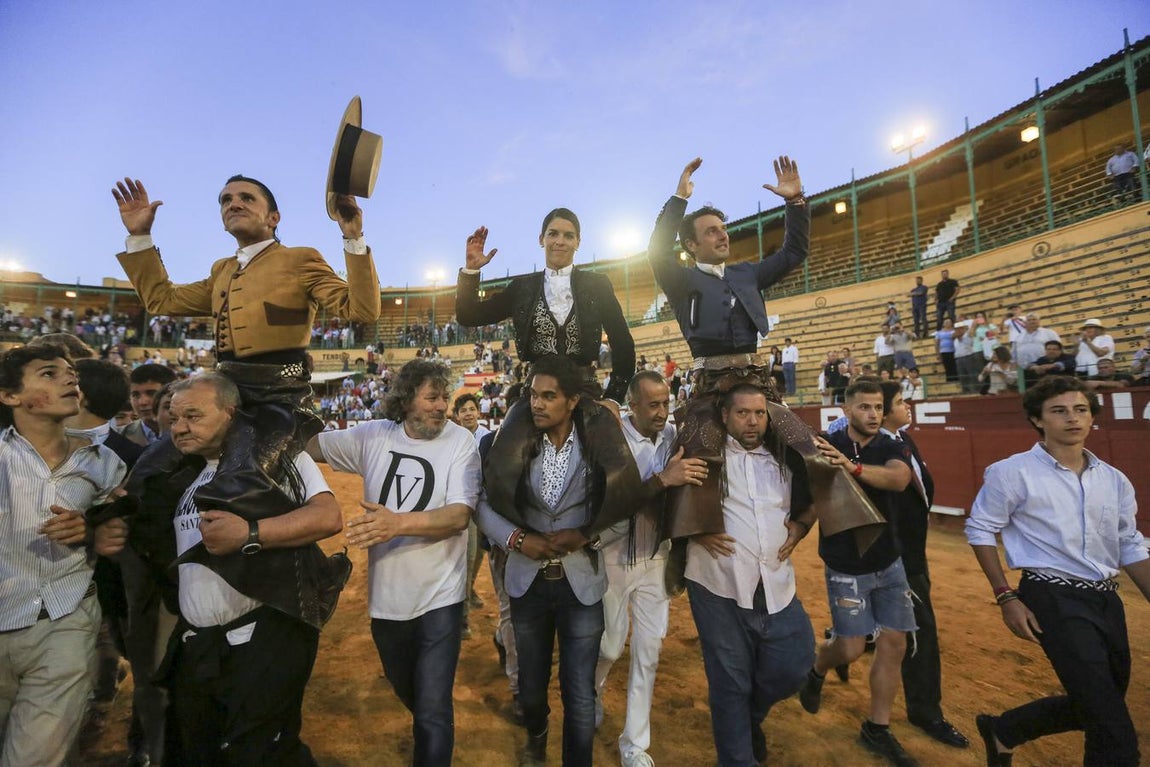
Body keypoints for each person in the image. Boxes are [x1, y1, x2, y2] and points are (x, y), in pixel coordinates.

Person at [112, 174, 380, 542]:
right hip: (223, 392)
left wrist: (353, 237)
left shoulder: (301, 259)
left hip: (277, 396)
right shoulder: (222, 270)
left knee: (242, 477)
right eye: (225, 200)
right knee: (153, 463)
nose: (233, 203)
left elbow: (362, 309)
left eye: (246, 198)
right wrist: (140, 237)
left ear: (274, 218)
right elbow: (161, 300)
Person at [117, 374, 343, 766]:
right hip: (197, 644)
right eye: (174, 418)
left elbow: (327, 517)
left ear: (231, 414)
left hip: (262, 638)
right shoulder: (180, 477)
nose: (179, 427)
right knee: (195, 751)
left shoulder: (279, 458)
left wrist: (250, 533)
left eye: (193, 416)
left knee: (261, 754)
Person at [965, 376, 1149, 767]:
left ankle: (1005, 730)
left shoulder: (1114, 480)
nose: (1072, 418)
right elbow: (980, 528)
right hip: (1050, 596)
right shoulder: (1012, 472)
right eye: (1059, 411)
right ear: (1038, 419)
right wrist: (1006, 595)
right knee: (1110, 722)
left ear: (1092, 417)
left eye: (1080, 409)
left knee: (1101, 701)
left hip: (1106, 598)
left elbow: (1129, 543)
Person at [307, 359, 480, 766]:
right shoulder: (373, 435)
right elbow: (310, 446)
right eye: (432, 398)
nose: (442, 407)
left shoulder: (460, 441)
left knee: (433, 709)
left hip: (441, 596)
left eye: (445, 398)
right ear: (405, 401)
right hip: (386, 600)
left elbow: (459, 516)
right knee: (412, 694)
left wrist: (396, 524)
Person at [475, 355, 631, 767]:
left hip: (581, 585)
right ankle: (537, 734)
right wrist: (517, 539)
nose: (537, 404)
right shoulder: (509, 442)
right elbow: (483, 504)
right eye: (533, 395)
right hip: (526, 583)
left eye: (548, 396)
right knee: (530, 687)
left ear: (573, 401)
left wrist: (587, 535)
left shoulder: (600, 447)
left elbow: (623, 511)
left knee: (579, 691)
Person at [646, 156, 808, 548]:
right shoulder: (680, 279)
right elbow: (656, 253)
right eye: (712, 231)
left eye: (723, 229)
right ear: (691, 245)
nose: (723, 236)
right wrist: (679, 199)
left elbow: (793, 253)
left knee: (806, 449)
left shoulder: (746, 273)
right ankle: (689, 543)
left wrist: (795, 203)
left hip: (756, 383)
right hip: (711, 385)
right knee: (694, 457)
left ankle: (803, 521)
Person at [458, 208, 640, 546]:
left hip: (584, 390)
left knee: (620, 471)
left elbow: (623, 342)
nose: (560, 241)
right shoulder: (522, 287)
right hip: (536, 393)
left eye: (568, 235)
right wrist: (471, 271)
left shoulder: (597, 284)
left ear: (578, 242)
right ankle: (514, 539)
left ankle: (593, 538)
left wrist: (614, 398)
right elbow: (468, 315)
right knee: (500, 465)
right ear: (541, 239)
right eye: (553, 234)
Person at [0, 345, 127, 767]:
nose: (70, 378)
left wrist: (94, 530)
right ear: (10, 396)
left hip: (66, 621)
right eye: (49, 374)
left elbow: (114, 533)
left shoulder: (106, 463)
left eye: (71, 372)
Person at [686, 383, 818, 767]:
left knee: (794, 665)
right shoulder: (703, 456)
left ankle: (748, 719)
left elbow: (819, 494)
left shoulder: (785, 458)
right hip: (716, 583)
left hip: (776, 581)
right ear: (725, 415)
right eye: (742, 413)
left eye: (759, 413)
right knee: (729, 682)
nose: (752, 421)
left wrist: (802, 526)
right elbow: (669, 498)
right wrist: (694, 529)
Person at [841, 382, 969, 749]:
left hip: (911, 549)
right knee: (920, 632)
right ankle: (926, 711)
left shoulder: (901, 439)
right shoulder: (874, 448)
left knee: (896, 624)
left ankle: (848, 642)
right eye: (898, 401)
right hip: (895, 554)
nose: (906, 405)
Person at [799, 380, 919, 767]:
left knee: (895, 644)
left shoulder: (891, 444)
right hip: (845, 565)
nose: (873, 414)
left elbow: (899, 479)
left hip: (889, 562)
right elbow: (812, 494)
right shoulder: (825, 443)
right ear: (847, 410)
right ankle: (818, 669)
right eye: (864, 407)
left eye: (878, 407)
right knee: (850, 648)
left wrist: (852, 467)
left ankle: (877, 727)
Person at [594, 371, 707, 767]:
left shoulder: (674, 435)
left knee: (648, 651)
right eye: (653, 405)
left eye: (666, 403)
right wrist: (664, 478)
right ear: (633, 405)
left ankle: (635, 744)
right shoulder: (612, 440)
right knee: (609, 646)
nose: (662, 412)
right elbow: (613, 501)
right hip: (611, 555)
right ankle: (592, 692)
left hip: (656, 556)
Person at [453, 392, 492, 638]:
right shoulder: (453, 438)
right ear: (457, 416)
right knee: (467, 557)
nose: (468, 413)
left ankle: (471, 588)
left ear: (478, 412)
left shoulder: (487, 437)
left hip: (483, 504)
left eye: (471, 409)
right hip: (463, 504)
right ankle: (462, 616)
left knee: (479, 554)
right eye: (463, 410)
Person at [121, 364, 177, 447]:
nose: (142, 402)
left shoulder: (191, 435)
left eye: (151, 393)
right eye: (135, 395)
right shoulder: (120, 437)